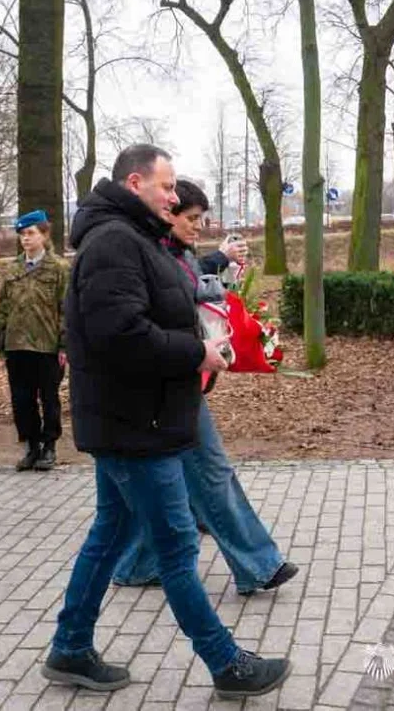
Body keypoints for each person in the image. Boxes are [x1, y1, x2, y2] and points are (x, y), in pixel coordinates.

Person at [41, 145, 291, 699]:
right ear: (136, 183)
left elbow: (149, 312)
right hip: (135, 424)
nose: (176, 196)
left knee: (110, 535)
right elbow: (121, 336)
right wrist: (195, 352)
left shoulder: (134, 237)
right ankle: (227, 663)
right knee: (177, 548)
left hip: (139, 417)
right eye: (168, 186)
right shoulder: (113, 244)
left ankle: (70, 647)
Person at [111, 179, 298, 595]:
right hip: (169, 384)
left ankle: (136, 563)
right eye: (190, 218)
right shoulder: (149, 255)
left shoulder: (175, 254)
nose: (197, 225)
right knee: (211, 474)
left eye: (200, 218)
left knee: (169, 483)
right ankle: (258, 565)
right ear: (167, 214)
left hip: (177, 382)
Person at [0, 210, 68, 471]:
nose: (26, 239)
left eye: (31, 233)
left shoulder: (58, 268)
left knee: (49, 397)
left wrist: (64, 345)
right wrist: (0, 340)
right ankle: (32, 446)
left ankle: (50, 446)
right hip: (17, 344)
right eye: (22, 234)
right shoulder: (14, 268)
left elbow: (65, 308)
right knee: (22, 399)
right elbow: (3, 306)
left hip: (46, 345)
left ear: (44, 235)